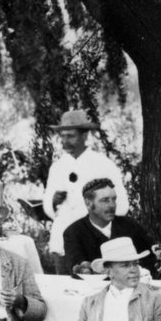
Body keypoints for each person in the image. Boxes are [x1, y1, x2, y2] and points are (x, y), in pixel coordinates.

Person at [42, 110, 130, 274]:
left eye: (71, 136)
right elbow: (48, 205)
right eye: (63, 136)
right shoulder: (58, 167)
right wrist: (52, 202)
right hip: (62, 241)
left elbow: (121, 205)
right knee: (65, 291)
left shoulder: (103, 164)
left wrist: (102, 225)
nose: (65, 141)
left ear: (84, 136)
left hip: (93, 242)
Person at [62, 178, 156, 276]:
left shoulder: (130, 225)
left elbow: (150, 258)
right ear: (88, 203)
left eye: (114, 199)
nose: (112, 205)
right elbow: (77, 270)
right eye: (105, 200)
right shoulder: (73, 232)